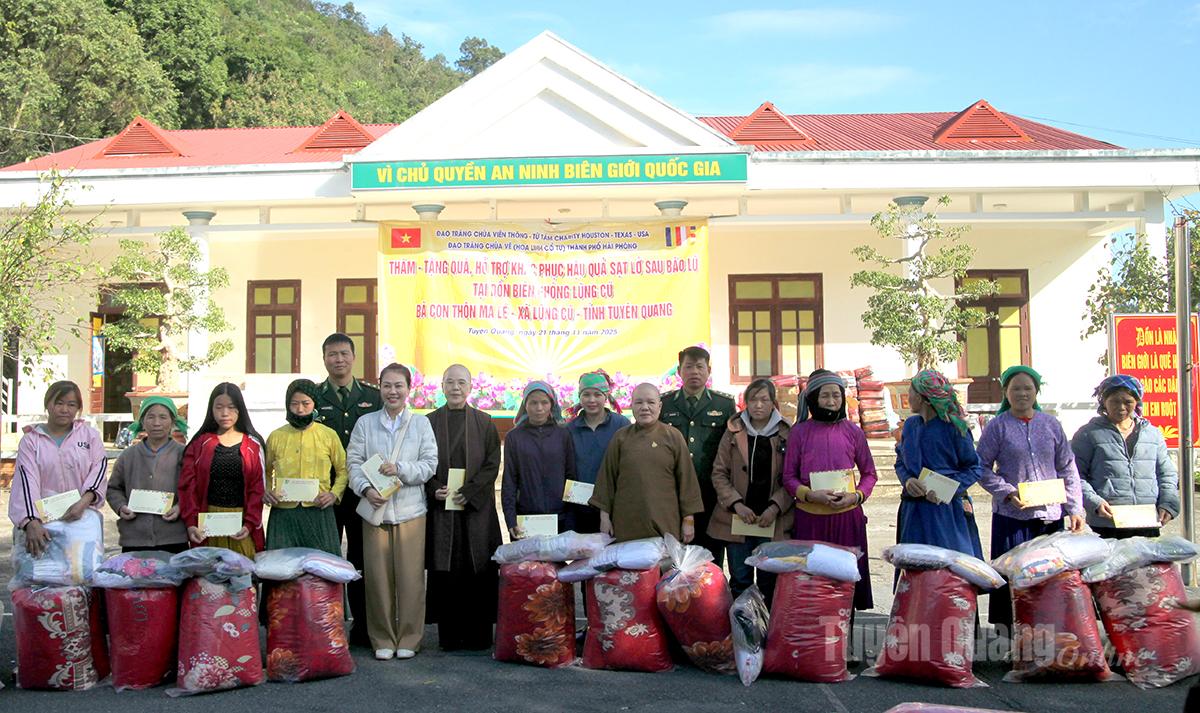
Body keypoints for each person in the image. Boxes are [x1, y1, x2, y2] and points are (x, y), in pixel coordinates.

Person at [977, 365, 1085, 629]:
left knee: (1048, 578)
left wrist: (1075, 509)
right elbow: (980, 467)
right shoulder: (997, 427)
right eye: (1015, 389)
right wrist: (1006, 491)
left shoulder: (1050, 424)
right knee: (1013, 576)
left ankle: (1051, 633)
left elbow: (1067, 466)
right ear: (1006, 392)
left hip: (1049, 517)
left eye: (1028, 388)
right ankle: (1014, 635)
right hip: (1013, 517)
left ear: (1037, 391)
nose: (1022, 393)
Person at [347, 363, 438, 661]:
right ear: (379, 386)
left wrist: (400, 469)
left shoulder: (420, 424)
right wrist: (365, 490)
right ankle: (382, 637)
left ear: (408, 389)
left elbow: (429, 464)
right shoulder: (365, 423)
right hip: (376, 511)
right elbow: (354, 463)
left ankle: (410, 638)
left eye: (399, 385)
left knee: (411, 579)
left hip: (411, 511)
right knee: (377, 579)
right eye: (387, 385)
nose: (393, 391)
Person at [782, 370, 877, 611]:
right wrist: (809, 494)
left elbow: (869, 474)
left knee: (846, 583)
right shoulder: (799, 433)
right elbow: (789, 477)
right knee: (813, 584)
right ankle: (815, 644)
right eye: (825, 396)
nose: (832, 401)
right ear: (813, 398)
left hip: (847, 519)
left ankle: (845, 643)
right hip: (810, 520)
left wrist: (855, 495)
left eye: (836, 395)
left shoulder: (853, 432)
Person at [424, 364, 503, 651]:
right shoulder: (429, 422)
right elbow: (421, 461)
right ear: (442, 387)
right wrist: (434, 488)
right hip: (443, 508)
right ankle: (449, 636)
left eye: (461, 383)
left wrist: (470, 492)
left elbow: (493, 462)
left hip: (475, 511)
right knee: (447, 569)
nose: (455, 388)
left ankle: (479, 636)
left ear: (470, 387)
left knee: (477, 567)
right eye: (449, 382)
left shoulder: (484, 422)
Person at [315, 332, 381, 646]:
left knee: (360, 557)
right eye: (332, 354)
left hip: (361, 490)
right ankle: (328, 622)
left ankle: (364, 625)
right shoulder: (312, 396)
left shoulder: (373, 396)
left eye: (343, 353)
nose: (338, 359)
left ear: (353, 357)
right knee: (327, 557)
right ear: (324, 358)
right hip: (325, 491)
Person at [708, 378, 793, 606]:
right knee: (740, 580)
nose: (758, 405)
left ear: (773, 403)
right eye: (753, 399)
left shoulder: (786, 433)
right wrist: (736, 504)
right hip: (738, 520)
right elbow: (719, 473)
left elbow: (793, 478)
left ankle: (766, 634)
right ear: (745, 403)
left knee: (769, 581)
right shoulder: (733, 432)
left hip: (770, 520)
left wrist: (775, 507)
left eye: (764, 399)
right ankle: (742, 632)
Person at [590, 383, 704, 543]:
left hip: (666, 522)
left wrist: (688, 520)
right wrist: (604, 518)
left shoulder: (673, 437)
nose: (645, 407)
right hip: (626, 523)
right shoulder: (621, 438)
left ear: (660, 406)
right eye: (639, 402)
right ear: (631, 405)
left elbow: (687, 481)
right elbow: (607, 480)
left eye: (650, 402)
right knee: (628, 566)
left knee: (665, 566)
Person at [1071, 374, 1179, 539]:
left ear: (1137, 402)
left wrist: (1168, 504)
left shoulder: (1152, 434)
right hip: (1107, 522)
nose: (1121, 407)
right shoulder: (1088, 434)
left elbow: (1166, 473)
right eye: (1114, 401)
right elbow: (1076, 475)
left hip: (1146, 520)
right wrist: (1094, 502)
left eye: (1128, 401)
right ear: (1104, 402)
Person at [9, 381, 107, 556]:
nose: (64, 410)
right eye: (59, 403)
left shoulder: (90, 436)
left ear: (78, 408)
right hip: (42, 522)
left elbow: (98, 470)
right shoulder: (31, 441)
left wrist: (83, 503)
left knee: (81, 572)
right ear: (48, 404)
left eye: (71, 405)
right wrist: (31, 521)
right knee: (40, 575)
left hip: (82, 516)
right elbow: (26, 481)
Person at [894, 370, 983, 559]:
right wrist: (908, 480)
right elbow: (901, 461)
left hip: (947, 512)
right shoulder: (910, 425)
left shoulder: (955, 428)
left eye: (911, 392)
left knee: (948, 572)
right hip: (914, 511)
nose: (908, 397)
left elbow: (974, 468)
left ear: (923, 398)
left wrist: (946, 489)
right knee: (916, 569)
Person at [659, 346, 736, 565]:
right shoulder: (664, 403)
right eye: (689, 367)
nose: (694, 372)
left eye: (700, 367)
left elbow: (732, 447)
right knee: (675, 557)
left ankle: (712, 599)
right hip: (674, 492)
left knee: (711, 557)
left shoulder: (724, 404)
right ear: (679, 371)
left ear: (708, 370)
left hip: (710, 492)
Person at [179, 382, 267, 557]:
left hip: (241, 527)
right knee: (209, 581)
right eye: (219, 407)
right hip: (206, 525)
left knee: (242, 579)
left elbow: (258, 489)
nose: (225, 413)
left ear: (240, 409)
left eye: (231, 407)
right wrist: (191, 523)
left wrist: (249, 524)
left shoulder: (253, 445)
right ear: (211, 409)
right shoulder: (199, 444)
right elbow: (187, 486)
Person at [263, 379, 348, 555]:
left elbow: (343, 469)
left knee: (322, 570)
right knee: (282, 570)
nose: (300, 409)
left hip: (319, 511)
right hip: (283, 514)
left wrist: (333, 494)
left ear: (314, 404)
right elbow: (264, 470)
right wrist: (266, 490)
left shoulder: (328, 435)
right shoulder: (276, 437)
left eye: (305, 403)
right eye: (294, 404)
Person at [107, 396, 189, 553]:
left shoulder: (184, 454)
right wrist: (121, 506)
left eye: (163, 417)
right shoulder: (128, 455)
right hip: (135, 539)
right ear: (142, 421)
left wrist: (180, 507)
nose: (156, 423)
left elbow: (194, 489)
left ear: (172, 422)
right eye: (150, 417)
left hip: (173, 537)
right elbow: (113, 488)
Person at [500, 381, 577, 538]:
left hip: (559, 516)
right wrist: (510, 519)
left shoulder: (563, 435)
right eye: (533, 403)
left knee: (557, 562)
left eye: (544, 402)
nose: (539, 408)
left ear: (552, 404)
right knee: (528, 563)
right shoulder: (514, 437)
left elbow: (571, 475)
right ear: (525, 405)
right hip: (526, 518)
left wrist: (571, 518)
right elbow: (509, 481)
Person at [566, 370, 629, 534]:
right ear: (580, 396)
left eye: (597, 394)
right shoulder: (570, 429)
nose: (591, 400)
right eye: (586, 394)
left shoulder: (621, 425)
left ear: (606, 396)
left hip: (615, 506)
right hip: (581, 506)